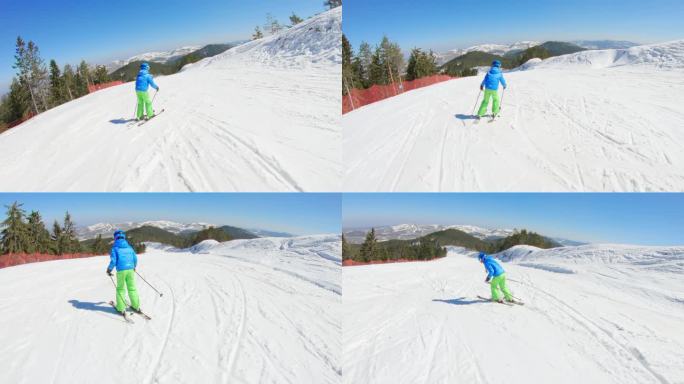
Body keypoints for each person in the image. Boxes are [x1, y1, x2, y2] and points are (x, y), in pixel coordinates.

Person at [107, 230, 141, 315]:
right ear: (124, 237)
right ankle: (136, 306)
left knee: (120, 289)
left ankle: (121, 308)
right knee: (132, 288)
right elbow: (135, 259)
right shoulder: (129, 247)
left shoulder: (115, 248)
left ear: (115, 238)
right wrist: (133, 267)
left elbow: (114, 261)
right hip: (130, 270)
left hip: (121, 271)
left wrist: (109, 269)